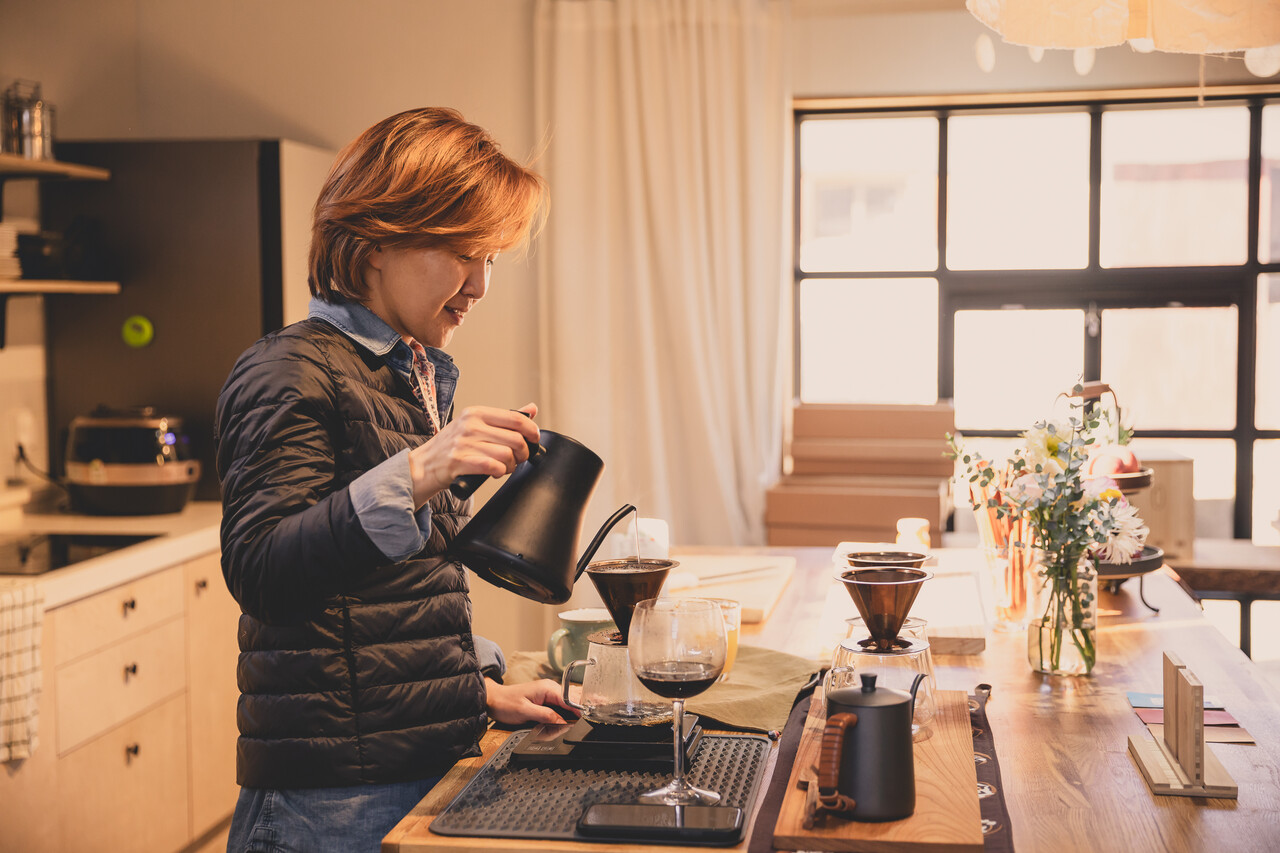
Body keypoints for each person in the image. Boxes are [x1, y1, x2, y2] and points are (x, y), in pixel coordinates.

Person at [215, 107, 575, 853]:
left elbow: (380, 607)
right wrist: (420, 470)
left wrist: (477, 692)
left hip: (413, 768)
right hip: (329, 801)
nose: (479, 285)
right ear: (376, 241)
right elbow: (263, 572)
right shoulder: (288, 369)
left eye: (493, 259)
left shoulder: (408, 375)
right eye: (463, 253)